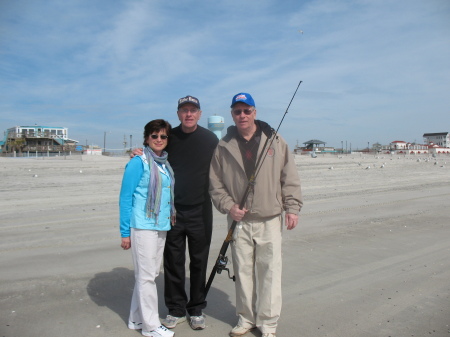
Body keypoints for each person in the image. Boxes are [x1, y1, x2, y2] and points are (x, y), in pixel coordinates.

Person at [209, 93, 303, 337]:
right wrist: (229, 206)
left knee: (269, 272)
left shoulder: (276, 140)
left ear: (255, 112)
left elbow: (289, 177)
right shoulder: (223, 145)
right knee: (243, 273)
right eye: (237, 111)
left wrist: (292, 208)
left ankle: (268, 323)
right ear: (232, 114)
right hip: (238, 221)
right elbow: (215, 183)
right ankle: (246, 318)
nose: (242, 115)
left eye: (246, 110)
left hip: (270, 218)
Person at [132, 96, 219, 330]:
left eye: (193, 110)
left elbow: (224, 167)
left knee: (199, 261)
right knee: (173, 261)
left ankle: (196, 308)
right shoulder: (170, 137)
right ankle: (176, 309)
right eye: (184, 110)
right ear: (178, 114)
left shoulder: (210, 139)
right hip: (171, 211)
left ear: (200, 114)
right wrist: (137, 151)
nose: (189, 114)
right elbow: (153, 150)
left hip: (201, 209)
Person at [120, 119, 176, 337]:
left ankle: (136, 319)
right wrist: (125, 232)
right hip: (142, 225)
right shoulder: (138, 162)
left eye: (163, 136)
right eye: (155, 136)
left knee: (150, 273)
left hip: (160, 225)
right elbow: (125, 198)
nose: (159, 140)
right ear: (146, 138)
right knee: (146, 277)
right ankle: (151, 326)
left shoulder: (163, 163)